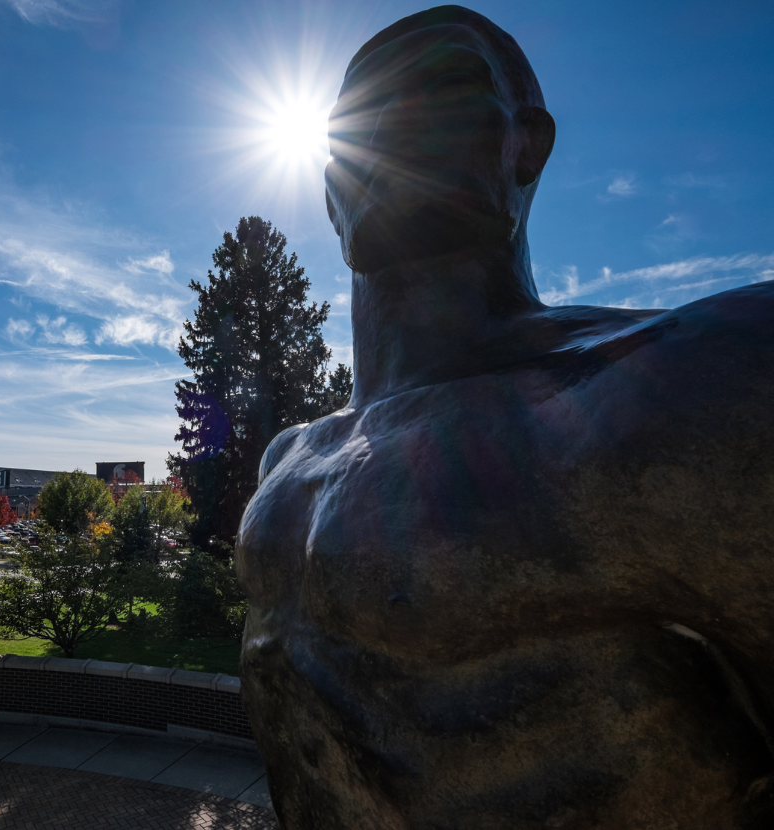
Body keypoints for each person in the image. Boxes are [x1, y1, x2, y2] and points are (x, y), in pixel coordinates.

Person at [236, 6, 774, 828]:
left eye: (442, 88)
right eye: (352, 119)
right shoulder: (287, 461)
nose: (384, 128)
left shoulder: (684, 383)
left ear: (527, 144)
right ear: (327, 186)